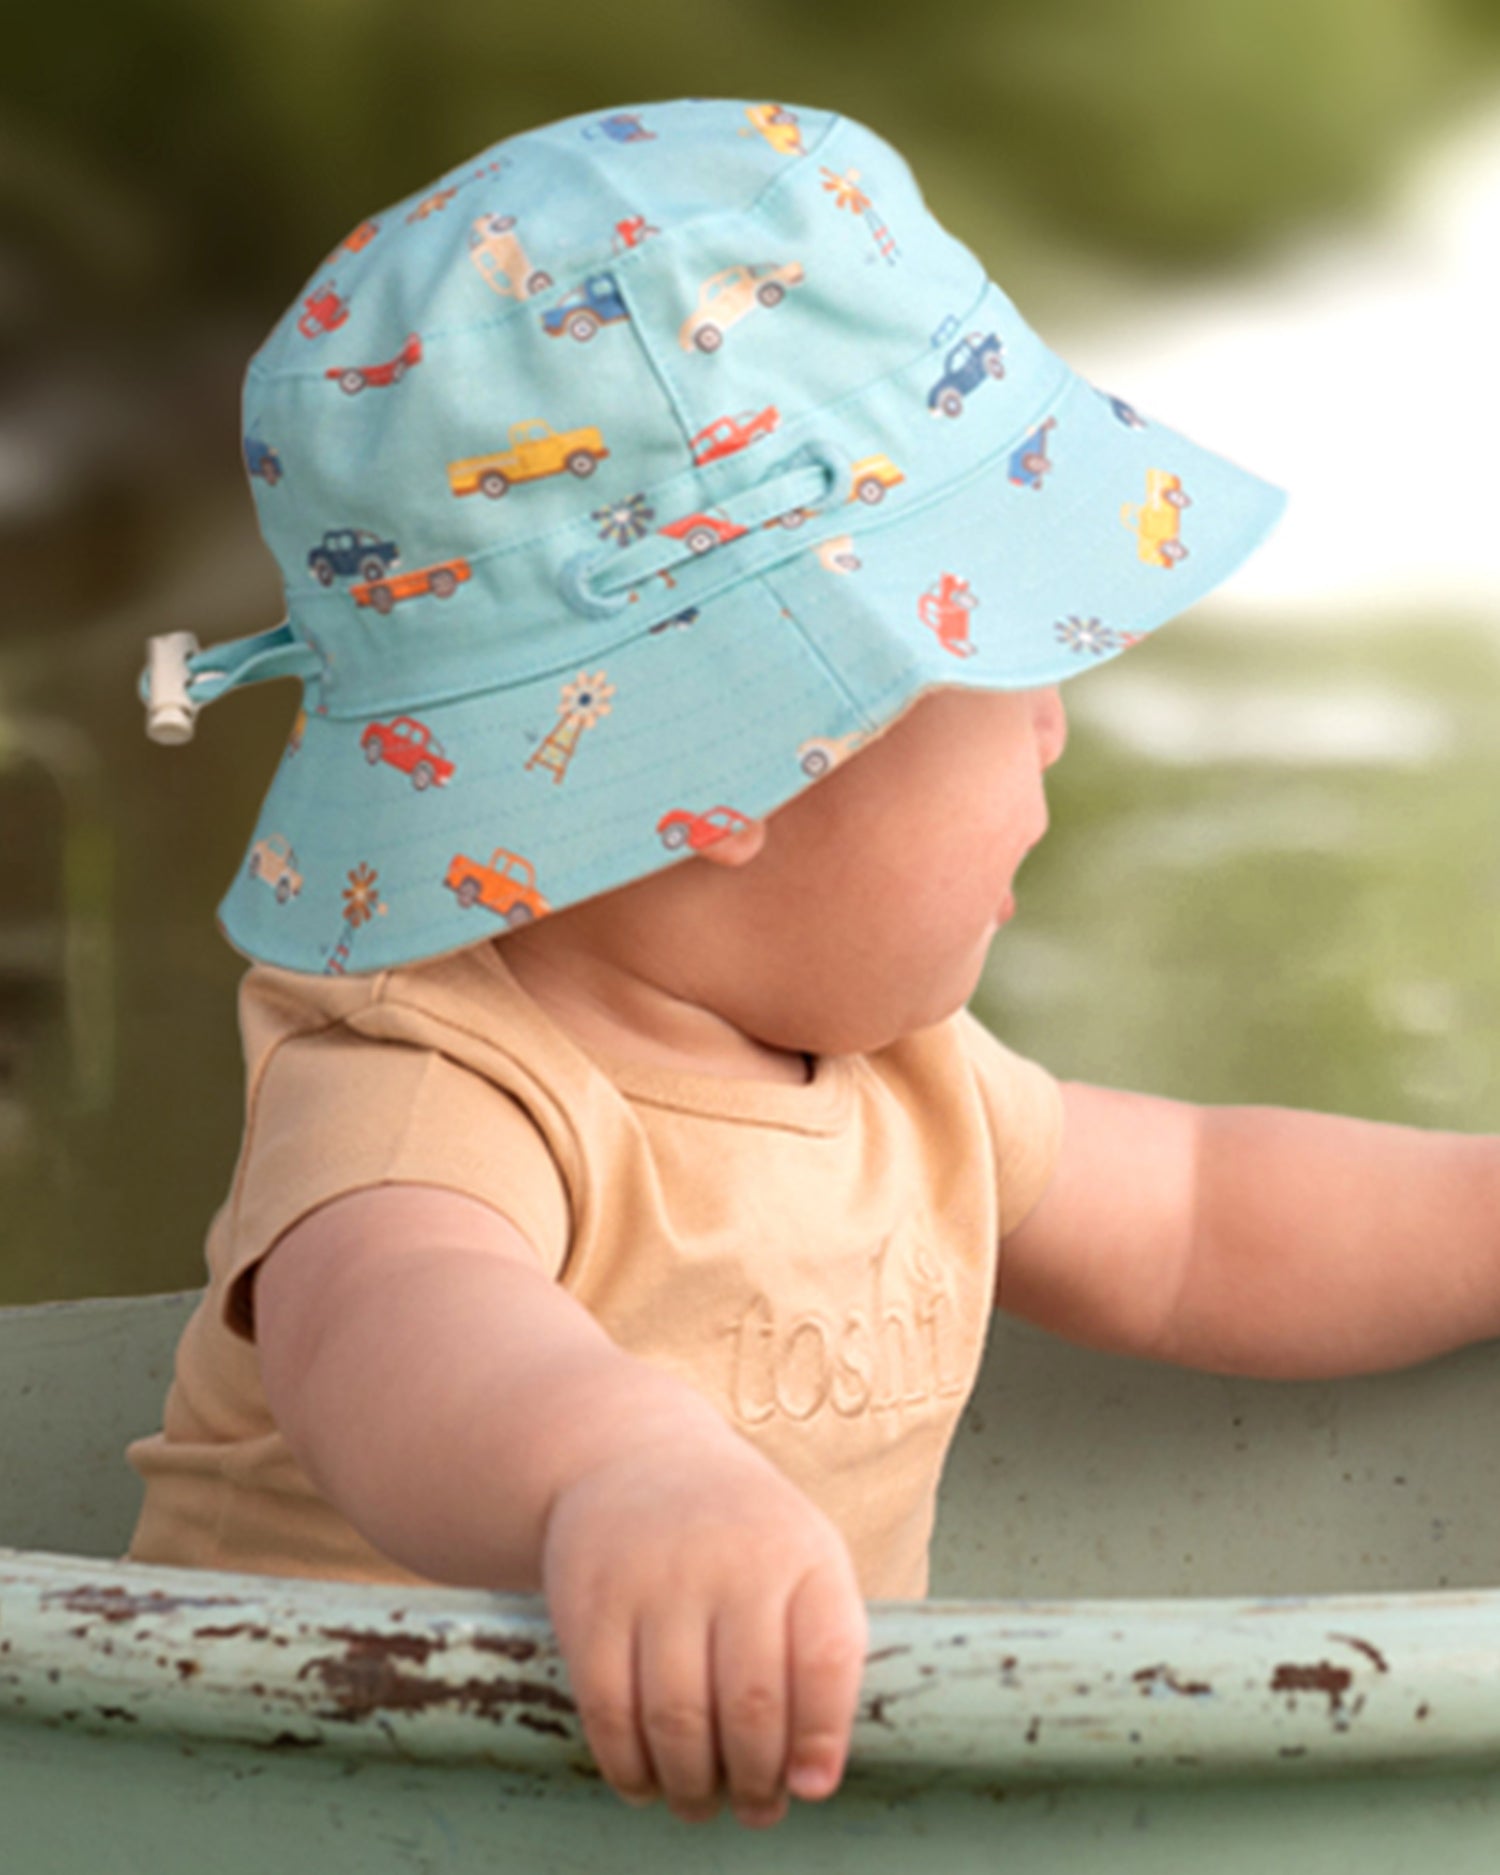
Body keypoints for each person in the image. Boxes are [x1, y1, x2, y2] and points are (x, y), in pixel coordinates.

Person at [127, 97, 1498, 1831]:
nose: (1062, 725)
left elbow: (1209, 1215)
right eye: (1005, 656)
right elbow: (399, 1334)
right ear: (750, 756)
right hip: (303, 1825)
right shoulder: (429, 1077)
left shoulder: (893, 1068)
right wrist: (617, 1479)